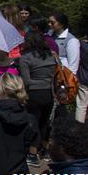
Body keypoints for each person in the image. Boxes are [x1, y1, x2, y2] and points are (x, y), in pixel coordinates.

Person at [18, 31, 57, 167]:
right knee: (45, 122)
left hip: (33, 93)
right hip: (49, 92)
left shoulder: (25, 58)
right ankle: (45, 150)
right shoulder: (51, 56)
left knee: (32, 122)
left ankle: (32, 153)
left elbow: (26, 81)